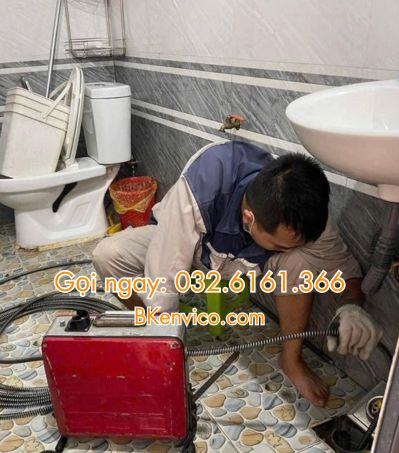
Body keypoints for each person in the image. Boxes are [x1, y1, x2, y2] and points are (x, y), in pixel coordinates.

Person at [93, 141, 382, 407]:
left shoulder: (304, 214)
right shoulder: (200, 188)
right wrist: (165, 350)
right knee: (107, 256)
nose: (287, 248)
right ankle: (155, 332)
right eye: (280, 245)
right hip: (194, 246)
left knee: (298, 262)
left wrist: (351, 306)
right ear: (248, 218)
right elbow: (164, 280)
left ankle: (291, 362)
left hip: (250, 264)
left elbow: (343, 267)